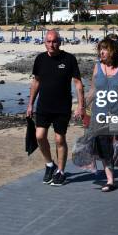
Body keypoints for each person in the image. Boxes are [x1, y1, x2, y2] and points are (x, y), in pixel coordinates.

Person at [27, 30, 85, 186]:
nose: (51, 45)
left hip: (62, 106)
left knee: (59, 139)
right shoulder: (40, 59)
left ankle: (60, 171)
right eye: (48, 41)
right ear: (44, 42)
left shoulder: (69, 59)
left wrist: (81, 105)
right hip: (44, 106)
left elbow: (78, 83)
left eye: (54, 41)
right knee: (39, 136)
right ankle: (49, 164)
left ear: (60, 42)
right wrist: (30, 103)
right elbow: (36, 82)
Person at [86, 37, 118, 191]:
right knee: (104, 147)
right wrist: (82, 106)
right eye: (100, 49)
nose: (101, 52)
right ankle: (110, 180)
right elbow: (93, 89)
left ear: (112, 51)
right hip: (100, 114)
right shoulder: (97, 67)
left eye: (105, 49)